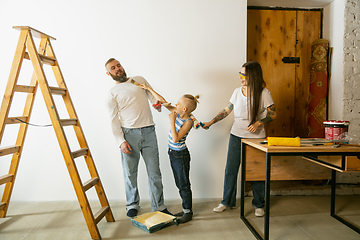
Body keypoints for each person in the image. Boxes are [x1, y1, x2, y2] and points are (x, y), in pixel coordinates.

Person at [201, 61, 276, 217]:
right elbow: (226, 110)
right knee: (231, 169)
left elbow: (273, 114)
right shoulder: (236, 92)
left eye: (244, 74)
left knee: (256, 171)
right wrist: (211, 122)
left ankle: (259, 204)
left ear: (253, 75)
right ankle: (226, 202)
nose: (241, 77)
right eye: (240, 73)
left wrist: (259, 122)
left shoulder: (264, 93)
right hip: (236, 136)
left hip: (256, 139)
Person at [105, 58, 171, 217]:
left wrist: (157, 105)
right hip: (129, 135)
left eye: (118, 65)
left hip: (149, 132)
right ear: (109, 73)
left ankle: (159, 206)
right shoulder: (112, 93)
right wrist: (121, 142)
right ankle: (132, 204)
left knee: (154, 172)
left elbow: (154, 99)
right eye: (113, 68)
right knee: (130, 172)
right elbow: (113, 120)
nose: (118, 69)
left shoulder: (138, 80)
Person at [139, 83, 199, 224]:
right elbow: (164, 101)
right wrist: (149, 89)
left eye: (177, 104)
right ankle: (185, 209)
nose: (175, 105)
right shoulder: (178, 112)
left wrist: (171, 121)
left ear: (184, 108)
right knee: (179, 183)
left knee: (184, 184)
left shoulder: (188, 121)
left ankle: (188, 212)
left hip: (181, 155)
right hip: (173, 153)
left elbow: (176, 138)